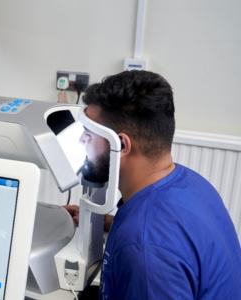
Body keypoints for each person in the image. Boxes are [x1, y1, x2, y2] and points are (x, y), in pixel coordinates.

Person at [72, 70, 241, 299]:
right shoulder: (192, 184)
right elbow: (166, 237)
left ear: (121, 145)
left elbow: (150, 245)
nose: (81, 141)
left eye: (89, 134)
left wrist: (137, 239)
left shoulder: (144, 251)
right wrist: (108, 222)